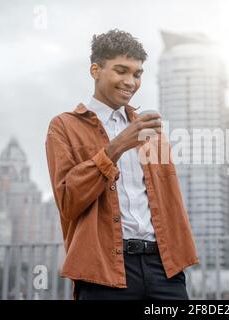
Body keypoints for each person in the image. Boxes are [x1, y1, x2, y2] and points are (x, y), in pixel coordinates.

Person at [45, 29, 199, 300]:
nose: (130, 81)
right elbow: (68, 201)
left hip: (164, 268)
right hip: (105, 270)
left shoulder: (152, 132)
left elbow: (170, 201)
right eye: (121, 70)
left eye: (137, 74)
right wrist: (116, 147)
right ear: (95, 70)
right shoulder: (63, 126)